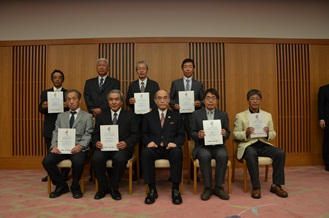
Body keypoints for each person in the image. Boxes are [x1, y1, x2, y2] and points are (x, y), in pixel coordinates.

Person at [232, 89, 288, 199]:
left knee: (280, 153)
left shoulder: (267, 115)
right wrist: (246, 133)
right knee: (251, 154)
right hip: (248, 145)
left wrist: (268, 133)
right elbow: (235, 134)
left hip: (263, 143)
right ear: (248, 100)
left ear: (261, 101)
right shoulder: (241, 116)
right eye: (252, 99)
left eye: (257, 99)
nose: (255, 101)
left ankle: (276, 185)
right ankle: (256, 187)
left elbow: (273, 133)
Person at [42, 90, 93, 199]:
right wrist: (54, 146)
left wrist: (80, 146)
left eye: (74, 98)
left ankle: (75, 186)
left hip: (78, 148)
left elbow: (88, 133)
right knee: (47, 161)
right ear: (66, 101)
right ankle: (61, 185)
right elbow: (55, 132)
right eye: (69, 99)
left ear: (79, 100)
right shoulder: (61, 116)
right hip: (62, 148)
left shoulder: (87, 116)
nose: (71, 101)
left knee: (78, 161)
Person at [92, 90, 139, 200]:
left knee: (119, 159)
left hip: (122, 148)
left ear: (122, 101)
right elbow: (95, 135)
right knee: (96, 158)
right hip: (104, 147)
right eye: (111, 99)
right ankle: (103, 188)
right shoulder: (101, 117)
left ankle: (114, 188)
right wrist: (96, 142)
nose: (114, 102)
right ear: (108, 101)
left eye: (116, 99)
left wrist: (126, 143)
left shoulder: (130, 116)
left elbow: (135, 134)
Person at [141, 90, 185, 205]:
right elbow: (143, 134)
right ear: (155, 101)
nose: (162, 100)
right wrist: (148, 142)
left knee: (177, 153)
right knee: (146, 153)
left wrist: (175, 143)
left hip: (170, 148)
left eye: (165, 98)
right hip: (154, 148)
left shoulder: (176, 116)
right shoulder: (148, 116)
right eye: (159, 98)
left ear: (169, 100)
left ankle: (175, 189)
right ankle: (152, 189)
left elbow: (181, 135)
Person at [84, 58, 120, 181]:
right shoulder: (89, 82)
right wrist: (93, 109)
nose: (101, 67)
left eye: (104, 65)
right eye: (99, 65)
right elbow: (87, 97)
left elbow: (115, 97)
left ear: (108, 68)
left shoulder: (114, 82)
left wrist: (101, 109)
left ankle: (110, 172)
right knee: (94, 141)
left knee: (108, 141)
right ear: (96, 67)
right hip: (92, 116)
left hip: (107, 116)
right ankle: (93, 173)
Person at [190, 88, 230, 201]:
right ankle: (207, 187)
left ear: (217, 101)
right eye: (208, 98)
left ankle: (218, 187)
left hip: (218, 146)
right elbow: (191, 132)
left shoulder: (223, 115)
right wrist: (198, 134)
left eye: (213, 98)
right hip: (202, 146)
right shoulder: (196, 114)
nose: (211, 101)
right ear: (203, 100)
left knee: (223, 155)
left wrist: (224, 134)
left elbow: (228, 133)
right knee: (204, 156)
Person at [169, 58, 204, 181]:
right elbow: (170, 99)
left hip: (193, 118)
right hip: (178, 117)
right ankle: (174, 173)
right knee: (175, 142)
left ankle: (194, 173)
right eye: (185, 66)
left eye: (190, 66)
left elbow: (203, 100)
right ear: (182, 69)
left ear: (194, 69)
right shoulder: (175, 83)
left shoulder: (199, 84)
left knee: (195, 142)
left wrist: (199, 103)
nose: (188, 68)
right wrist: (174, 105)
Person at [126, 60, 160, 180]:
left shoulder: (154, 84)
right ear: (136, 71)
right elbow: (127, 101)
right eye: (139, 69)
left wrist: (152, 108)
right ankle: (137, 171)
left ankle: (148, 170)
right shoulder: (132, 85)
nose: (141, 70)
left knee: (149, 143)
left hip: (150, 118)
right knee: (137, 144)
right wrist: (130, 101)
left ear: (147, 70)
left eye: (143, 68)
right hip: (136, 119)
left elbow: (158, 100)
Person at [38, 69, 69, 182]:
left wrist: (68, 105)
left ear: (63, 79)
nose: (57, 79)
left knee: (65, 150)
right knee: (50, 151)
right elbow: (40, 109)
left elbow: (73, 109)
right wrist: (43, 106)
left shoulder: (67, 93)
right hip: (50, 126)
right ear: (52, 79)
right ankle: (52, 174)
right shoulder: (45, 93)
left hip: (64, 126)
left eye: (59, 77)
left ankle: (65, 174)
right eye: (55, 77)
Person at [318, 84, 329, 171]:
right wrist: (321, 118)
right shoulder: (324, 89)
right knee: (327, 141)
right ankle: (327, 163)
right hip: (327, 119)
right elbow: (320, 105)